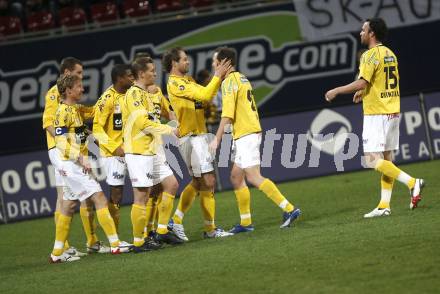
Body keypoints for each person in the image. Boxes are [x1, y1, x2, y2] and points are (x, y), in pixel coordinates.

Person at [324, 18, 424, 218]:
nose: (360, 32)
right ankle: (384, 205)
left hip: (377, 113)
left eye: (363, 30)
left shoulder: (369, 55)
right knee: (387, 159)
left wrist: (336, 90)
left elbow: (362, 82)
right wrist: (366, 91)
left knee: (371, 160)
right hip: (393, 110)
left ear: (371, 34)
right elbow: (380, 81)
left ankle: (413, 183)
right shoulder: (390, 54)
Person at [210, 47, 301, 233]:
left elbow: (227, 115)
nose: (213, 65)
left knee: (253, 176)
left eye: (215, 61)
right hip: (246, 132)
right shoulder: (242, 77)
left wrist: (216, 139)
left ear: (224, 63)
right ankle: (245, 223)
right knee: (236, 177)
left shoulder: (228, 83)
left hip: (246, 134)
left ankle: (289, 209)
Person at [50, 75, 129, 263]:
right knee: (99, 198)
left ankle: (56, 254)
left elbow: (95, 112)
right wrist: (79, 157)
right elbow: (60, 141)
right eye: (78, 87)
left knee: (68, 206)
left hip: (72, 164)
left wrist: (112, 89)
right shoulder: (62, 112)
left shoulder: (75, 109)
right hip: (72, 164)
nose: (82, 89)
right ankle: (116, 245)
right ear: (68, 91)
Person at [162, 47, 233, 240]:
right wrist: (217, 76)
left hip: (198, 136)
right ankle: (210, 230)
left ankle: (175, 221)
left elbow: (204, 98)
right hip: (192, 138)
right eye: (184, 59)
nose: (188, 62)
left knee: (198, 181)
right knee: (209, 181)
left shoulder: (188, 81)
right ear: (174, 63)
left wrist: (215, 83)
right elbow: (203, 96)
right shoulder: (176, 83)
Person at [42, 57, 106, 256]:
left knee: (69, 199)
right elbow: (49, 123)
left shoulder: (71, 99)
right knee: (71, 198)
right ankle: (67, 247)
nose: (82, 77)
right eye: (78, 73)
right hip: (60, 150)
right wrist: (67, 150)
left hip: (66, 150)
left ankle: (79, 244)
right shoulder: (54, 94)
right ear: (67, 73)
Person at [122, 56, 181, 252]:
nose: (155, 73)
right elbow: (143, 124)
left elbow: (156, 117)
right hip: (138, 151)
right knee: (142, 196)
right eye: (152, 70)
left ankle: (162, 231)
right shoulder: (134, 95)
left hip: (152, 149)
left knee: (171, 184)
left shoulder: (146, 94)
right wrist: (169, 130)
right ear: (141, 74)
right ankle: (139, 242)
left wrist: (170, 125)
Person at [92, 64, 133, 249]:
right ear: (119, 78)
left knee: (150, 187)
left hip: (134, 149)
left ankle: (149, 231)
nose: (132, 78)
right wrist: (114, 147)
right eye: (129, 76)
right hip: (113, 154)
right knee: (116, 193)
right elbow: (96, 128)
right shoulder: (107, 99)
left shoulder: (132, 95)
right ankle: (113, 238)